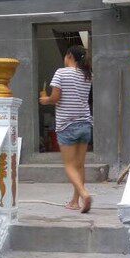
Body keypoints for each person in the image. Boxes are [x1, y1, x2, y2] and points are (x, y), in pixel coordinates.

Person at [39, 45, 93, 213]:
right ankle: (75, 202)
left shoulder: (61, 73)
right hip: (85, 123)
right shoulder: (87, 75)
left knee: (69, 166)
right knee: (80, 165)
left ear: (69, 55)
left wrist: (45, 100)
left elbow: (56, 98)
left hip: (67, 125)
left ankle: (84, 194)